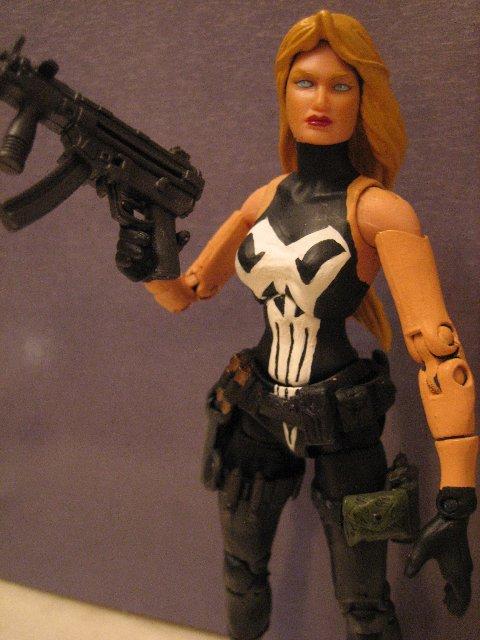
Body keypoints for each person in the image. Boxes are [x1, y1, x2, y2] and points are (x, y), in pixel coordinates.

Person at [115, 10, 477, 640]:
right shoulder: (263, 199)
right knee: (240, 572)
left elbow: (439, 353)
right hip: (254, 409)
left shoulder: (379, 212)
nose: (320, 100)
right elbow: (185, 293)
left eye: (341, 85)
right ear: (283, 92)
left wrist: (457, 498)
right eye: (305, 82)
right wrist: (145, 251)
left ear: (363, 99)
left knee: (364, 602)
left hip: (343, 423)